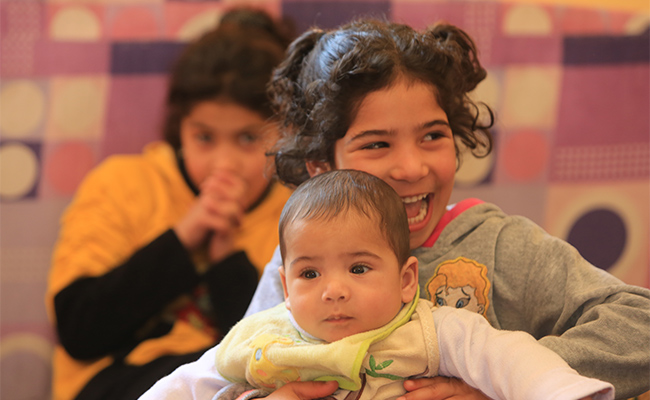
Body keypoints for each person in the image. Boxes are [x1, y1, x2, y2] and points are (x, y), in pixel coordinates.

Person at [139, 18, 650, 400]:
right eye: (376, 145)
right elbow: (238, 367)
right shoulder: (297, 266)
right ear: (321, 166)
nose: (410, 167)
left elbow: (639, 323)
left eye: (432, 135)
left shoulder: (501, 244)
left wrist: (498, 382)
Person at [141, 169, 615, 400]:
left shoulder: (431, 329)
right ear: (285, 286)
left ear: (407, 279)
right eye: (310, 274)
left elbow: (506, 357)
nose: (334, 290)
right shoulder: (265, 338)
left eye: (359, 268)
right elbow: (187, 383)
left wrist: (563, 392)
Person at [44, 8, 294, 400]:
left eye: (247, 139)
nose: (223, 164)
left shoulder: (298, 211)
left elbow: (275, 354)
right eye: (205, 138)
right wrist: (184, 236)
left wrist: (226, 258)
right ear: (180, 128)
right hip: (116, 383)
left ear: (283, 133)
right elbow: (79, 330)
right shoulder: (123, 184)